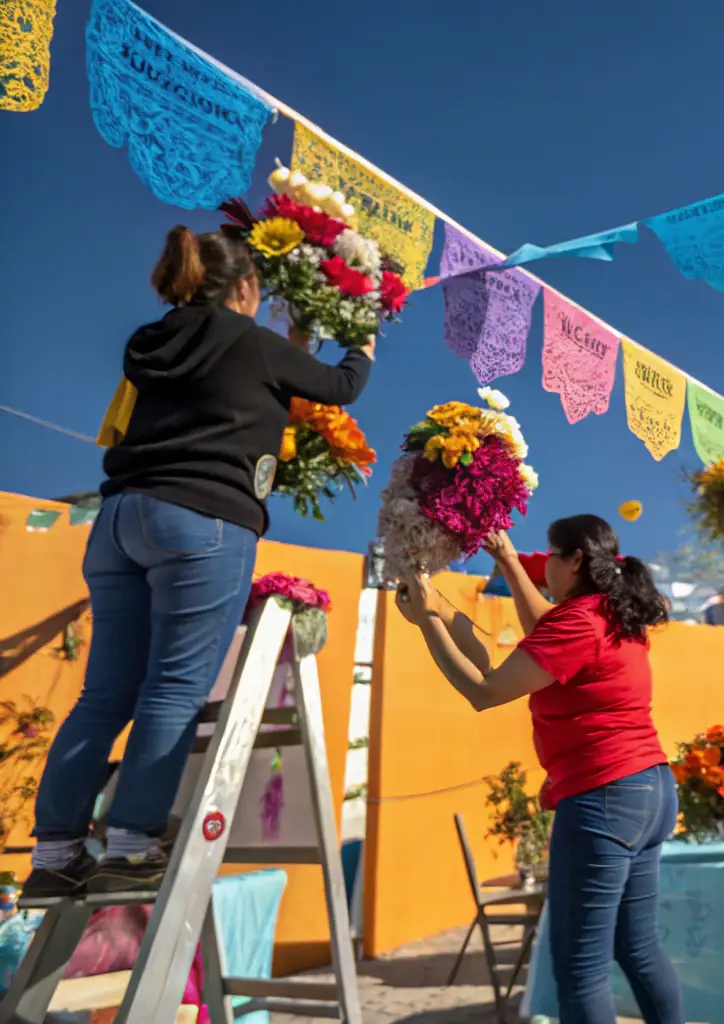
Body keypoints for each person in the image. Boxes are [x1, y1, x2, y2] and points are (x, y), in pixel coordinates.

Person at [26, 226, 374, 899]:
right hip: (203, 518)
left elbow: (234, 383)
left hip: (121, 519)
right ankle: (129, 847)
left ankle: (54, 853)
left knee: (102, 696)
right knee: (174, 690)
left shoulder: (148, 342)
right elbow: (338, 386)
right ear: (245, 285)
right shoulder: (248, 341)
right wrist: (362, 344)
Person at [396, 518, 682, 1024]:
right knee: (637, 948)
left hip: (606, 794)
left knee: (580, 968)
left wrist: (428, 624)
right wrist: (501, 563)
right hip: (650, 788)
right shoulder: (608, 616)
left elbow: (485, 692)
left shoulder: (576, 623)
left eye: (549, 556)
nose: (541, 564)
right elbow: (542, 628)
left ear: (574, 560)